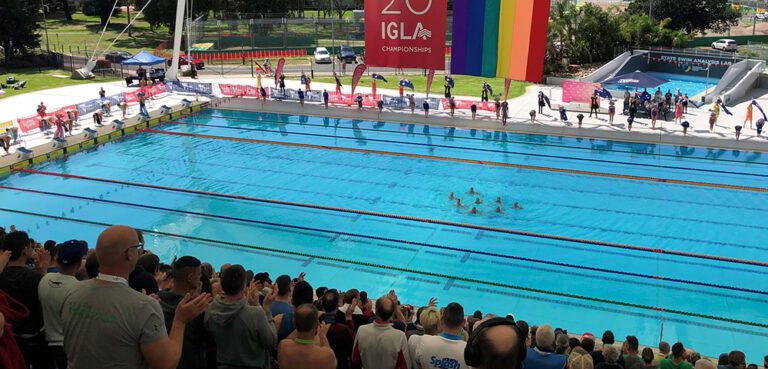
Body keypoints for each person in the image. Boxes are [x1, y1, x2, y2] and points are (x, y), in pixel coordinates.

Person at [61, 225, 211, 369]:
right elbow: (166, 364)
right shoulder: (143, 307)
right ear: (129, 254)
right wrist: (180, 320)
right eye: (138, 247)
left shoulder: (72, 291)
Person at [205, 264, 278, 369]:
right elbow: (270, 342)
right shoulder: (256, 313)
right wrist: (265, 308)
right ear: (244, 287)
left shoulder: (209, 310)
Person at [0, 231, 54, 369]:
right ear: (25, 250)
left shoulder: (1, 276)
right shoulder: (36, 278)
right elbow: (46, 304)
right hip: (35, 340)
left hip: (10, 338)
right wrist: (43, 271)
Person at [38, 240, 88, 369]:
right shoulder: (81, 289)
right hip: (72, 346)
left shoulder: (45, 279)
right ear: (79, 264)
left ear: (57, 259)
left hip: (50, 344)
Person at [157, 256, 209, 369]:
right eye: (199, 274)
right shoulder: (196, 309)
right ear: (190, 277)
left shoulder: (156, 300)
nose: (201, 278)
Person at [351, 294, 410, 369]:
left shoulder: (362, 330)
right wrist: (395, 307)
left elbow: (355, 360)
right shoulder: (400, 336)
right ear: (392, 313)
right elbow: (406, 366)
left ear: (376, 310)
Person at [278, 304, 336, 369]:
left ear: (294, 323)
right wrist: (322, 334)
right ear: (316, 325)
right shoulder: (326, 355)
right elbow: (333, 364)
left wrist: (303, 321)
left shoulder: (283, 346)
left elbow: (290, 338)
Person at [414, 302, 467, 369]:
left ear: (441, 320)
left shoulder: (423, 342)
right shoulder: (468, 351)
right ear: (464, 322)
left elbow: (419, 366)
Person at [319, 289, 356, 369]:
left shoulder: (316, 325)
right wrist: (349, 318)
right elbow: (353, 348)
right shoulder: (342, 329)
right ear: (338, 306)